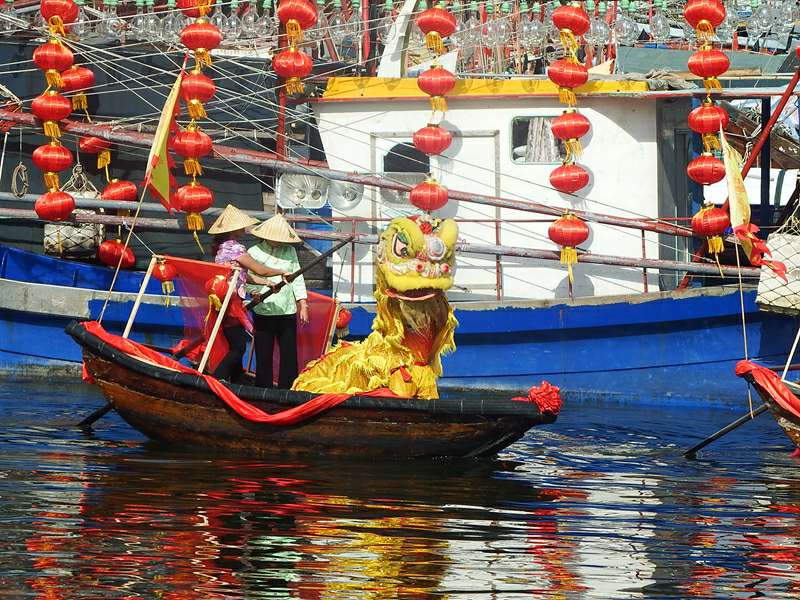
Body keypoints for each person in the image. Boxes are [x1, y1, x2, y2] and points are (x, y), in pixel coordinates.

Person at [208, 204, 290, 382]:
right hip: (231, 303)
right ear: (234, 230)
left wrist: (266, 282)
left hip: (224, 300)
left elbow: (244, 275)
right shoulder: (235, 249)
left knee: (233, 342)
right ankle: (216, 379)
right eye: (242, 225)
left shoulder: (222, 248)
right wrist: (281, 272)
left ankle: (236, 380)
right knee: (238, 347)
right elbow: (260, 270)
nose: (245, 228)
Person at [246, 212, 309, 389]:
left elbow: (297, 277)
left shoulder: (290, 251)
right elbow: (247, 277)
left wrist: (303, 304)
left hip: (286, 310)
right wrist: (253, 293)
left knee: (289, 354)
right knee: (263, 354)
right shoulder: (254, 252)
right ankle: (263, 389)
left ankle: (287, 389)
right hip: (263, 308)